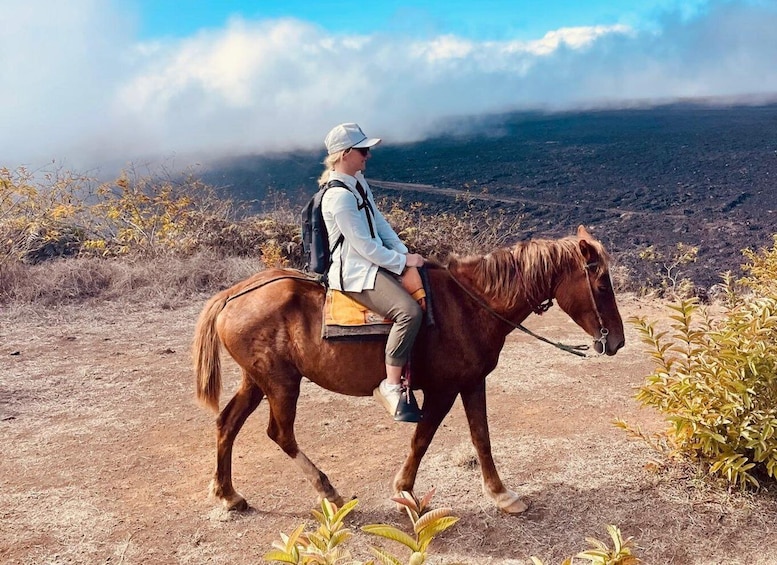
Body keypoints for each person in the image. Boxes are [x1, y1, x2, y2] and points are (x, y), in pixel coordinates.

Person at [319, 123, 425, 422]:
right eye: (364, 151)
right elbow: (364, 247)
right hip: (356, 273)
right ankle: (390, 385)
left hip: (374, 263)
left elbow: (378, 222)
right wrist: (402, 262)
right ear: (346, 154)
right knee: (409, 313)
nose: (368, 156)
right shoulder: (339, 197)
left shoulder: (358, 182)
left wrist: (403, 251)